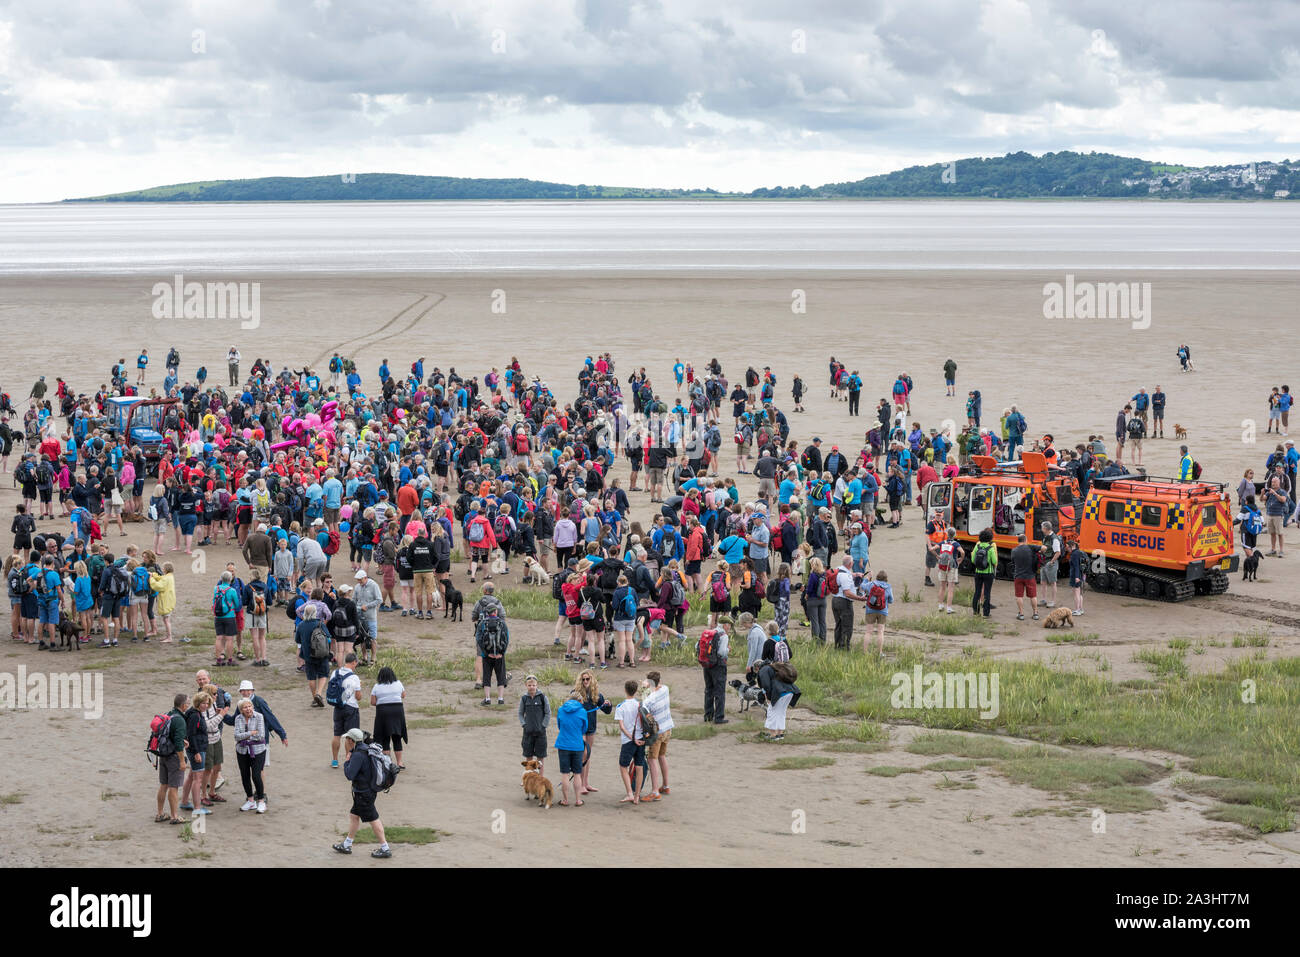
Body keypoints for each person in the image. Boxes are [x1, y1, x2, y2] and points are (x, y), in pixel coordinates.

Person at [334, 728, 392, 858]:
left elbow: (349, 775)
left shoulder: (358, 755)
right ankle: (347, 844)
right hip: (367, 791)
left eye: (347, 739)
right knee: (354, 816)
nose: (346, 741)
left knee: (373, 819)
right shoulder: (366, 748)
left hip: (363, 793)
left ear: (351, 740)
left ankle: (385, 848)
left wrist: (347, 761)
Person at [575, 669, 612, 795]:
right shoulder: (576, 694)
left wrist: (608, 704)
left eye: (587, 679)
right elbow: (568, 707)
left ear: (591, 680)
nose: (585, 681)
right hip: (580, 729)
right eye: (583, 679)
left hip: (591, 728)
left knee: (587, 755)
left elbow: (607, 711)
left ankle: (585, 783)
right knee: (582, 754)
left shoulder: (596, 694)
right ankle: (579, 784)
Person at [153, 692, 189, 824]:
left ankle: (160, 814)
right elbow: (179, 742)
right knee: (174, 787)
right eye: (188, 704)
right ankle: (174, 816)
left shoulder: (168, 714)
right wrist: (181, 761)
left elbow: (169, 735)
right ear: (184, 705)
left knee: (164, 785)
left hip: (163, 754)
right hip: (173, 756)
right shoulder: (180, 720)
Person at [473, 581, 510, 705]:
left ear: (484, 590)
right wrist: (502, 652)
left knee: (481, 662)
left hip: (486, 650)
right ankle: (500, 698)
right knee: (500, 674)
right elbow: (506, 633)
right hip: (499, 652)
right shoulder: (498, 603)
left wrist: (485, 651)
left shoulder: (479, 602)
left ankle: (480, 682)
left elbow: (473, 617)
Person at [640, 671, 673, 799]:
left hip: (657, 732)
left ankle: (655, 791)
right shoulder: (665, 689)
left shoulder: (650, 699)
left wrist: (644, 688)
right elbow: (659, 686)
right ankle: (665, 785)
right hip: (668, 728)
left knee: (652, 759)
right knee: (662, 756)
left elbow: (643, 708)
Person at [232, 697, 268, 814]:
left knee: (256, 775)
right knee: (245, 775)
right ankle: (250, 800)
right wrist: (251, 733)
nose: (248, 709)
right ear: (241, 710)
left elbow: (261, 735)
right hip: (241, 750)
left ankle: (261, 801)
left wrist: (246, 736)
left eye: (249, 706)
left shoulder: (259, 717)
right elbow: (236, 736)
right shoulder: (238, 718)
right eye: (245, 707)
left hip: (258, 750)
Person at [554, 691, 588, 807]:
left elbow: (559, 725)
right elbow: (584, 728)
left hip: (563, 744)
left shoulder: (561, 710)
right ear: (580, 701)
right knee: (577, 773)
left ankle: (565, 799)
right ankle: (578, 800)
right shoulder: (582, 712)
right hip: (577, 745)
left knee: (565, 774)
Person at [329, 652, 363, 769]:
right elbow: (358, 697)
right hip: (351, 707)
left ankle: (334, 760)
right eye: (356, 664)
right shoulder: (354, 677)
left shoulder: (335, 673)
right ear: (353, 662)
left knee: (337, 734)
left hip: (338, 706)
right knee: (350, 736)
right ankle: (348, 761)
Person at [370, 666, 408, 769]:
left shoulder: (377, 686)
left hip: (383, 712)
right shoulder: (398, 683)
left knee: (385, 737)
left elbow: (373, 702)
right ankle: (399, 763)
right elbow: (403, 695)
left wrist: (383, 701)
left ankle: (388, 763)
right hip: (397, 710)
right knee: (396, 737)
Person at [616, 679, 647, 805]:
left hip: (628, 741)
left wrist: (631, 737)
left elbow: (622, 727)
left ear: (625, 690)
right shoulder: (640, 705)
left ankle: (629, 792)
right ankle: (637, 796)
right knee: (639, 766)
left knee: (623, 766)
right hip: (641, 739)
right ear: (635, 691)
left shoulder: (621, 706)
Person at [295, 603, 332, 707]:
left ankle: (314, 698)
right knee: (323, 674)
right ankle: (319, 694)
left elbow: (297, 640)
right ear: (315, 613)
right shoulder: (320, 624)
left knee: (311, 677)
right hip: (321, 653)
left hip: (308, 655)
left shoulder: (301, 625)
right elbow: (328, 638)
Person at [757, 654, 800, 741]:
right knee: (781, 712)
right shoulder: (775, 667)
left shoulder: (764, 670)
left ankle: (773, 736)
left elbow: (766, 685)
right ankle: (780, 734)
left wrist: (768, 697)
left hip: (780, 692)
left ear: (757, 667)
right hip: (790, 692)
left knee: (772, 712)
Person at [697, 620, 730, 724]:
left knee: (709, 689)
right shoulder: (723, 635)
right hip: (718, 666)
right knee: (719, 691)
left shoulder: (708, 633)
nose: (729, 627)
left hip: (707, 664)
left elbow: (697, 646)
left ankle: (708, 715)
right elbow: (721, 652)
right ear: (725, 625)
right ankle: (719, 717)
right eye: (729, 625)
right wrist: (728, 650)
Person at [518, 674, 551, 775]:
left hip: (540, 733)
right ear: (526, 685)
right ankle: (528, 777)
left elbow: (548, 712)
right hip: (528, 732)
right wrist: (524, 724)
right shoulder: (524, 698)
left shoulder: (542, 697)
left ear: (537, 685)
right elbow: (520, 713)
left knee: (540, 757)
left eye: (533, 685)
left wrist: (543, 726)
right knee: (528, 756)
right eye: (529, 685)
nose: (531, 687)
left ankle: (540, 777)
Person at [928, 527, 962, 614]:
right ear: (954, 535)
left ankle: (940, 605)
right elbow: (963, 552)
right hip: (952, 566)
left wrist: (937, 556)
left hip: (942, 566)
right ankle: (949, 608)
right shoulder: (956, 544)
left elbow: (931, 549)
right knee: (950, 588)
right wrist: (960, 559)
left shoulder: (943, 542)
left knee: (942, 587)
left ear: (947, 534)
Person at [860, 570, 893, 655]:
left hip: (870, 610)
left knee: (868, 631)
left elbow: (862, 586)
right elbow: (891, 600)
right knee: (880, 631)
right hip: (883, 611)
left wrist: (867, 578)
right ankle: (880, 652)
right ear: (886, 578)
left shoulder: (871, 584)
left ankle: (865, 652)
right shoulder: (888, 587)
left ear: (877, 577)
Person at [970, 527, 997, 617]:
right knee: (987, 592)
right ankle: (986, 613)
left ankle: (976, 611)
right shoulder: (991, 548)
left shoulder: (977, 546)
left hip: (978, 572)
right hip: (988, 573)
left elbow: (973, 559)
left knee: (977, 591)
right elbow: (994, 561)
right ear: (990, 538)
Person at [1010, 534, 1039, 621]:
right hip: (1030, 576)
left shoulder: (1014, 550)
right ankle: (1035, 614)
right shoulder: (1030, 548)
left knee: (1019, 596)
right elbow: (1044, 548)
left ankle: (1021, 614)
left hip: (1018, 576)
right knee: (1033, 596)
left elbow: (1013, 561)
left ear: (1018, 541)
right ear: (1025, 540)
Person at [1037, 521, 1062, 609]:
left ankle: (1053, 601)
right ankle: (1043, 600)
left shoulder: (1054, 539)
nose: (1041, 529)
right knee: (1043, 582)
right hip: (1044, 562)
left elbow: (1058, 552)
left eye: (1042, 528)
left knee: (1052, 582)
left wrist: (1051, 562)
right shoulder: (1046, 537)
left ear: (1045, 529)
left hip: (1050, 562)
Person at [1066, 540, 1086, 616]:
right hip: (1081, 575)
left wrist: (1077, 577)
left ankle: (1077, 609)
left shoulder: (1074, 554)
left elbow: (1076, 566)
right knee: (1079, 593)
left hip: (1075, 575)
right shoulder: (1079, 552)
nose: (1066, 548)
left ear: (1072, 546)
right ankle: (1081, 609)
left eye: (1067, 546)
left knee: (1076, 593)